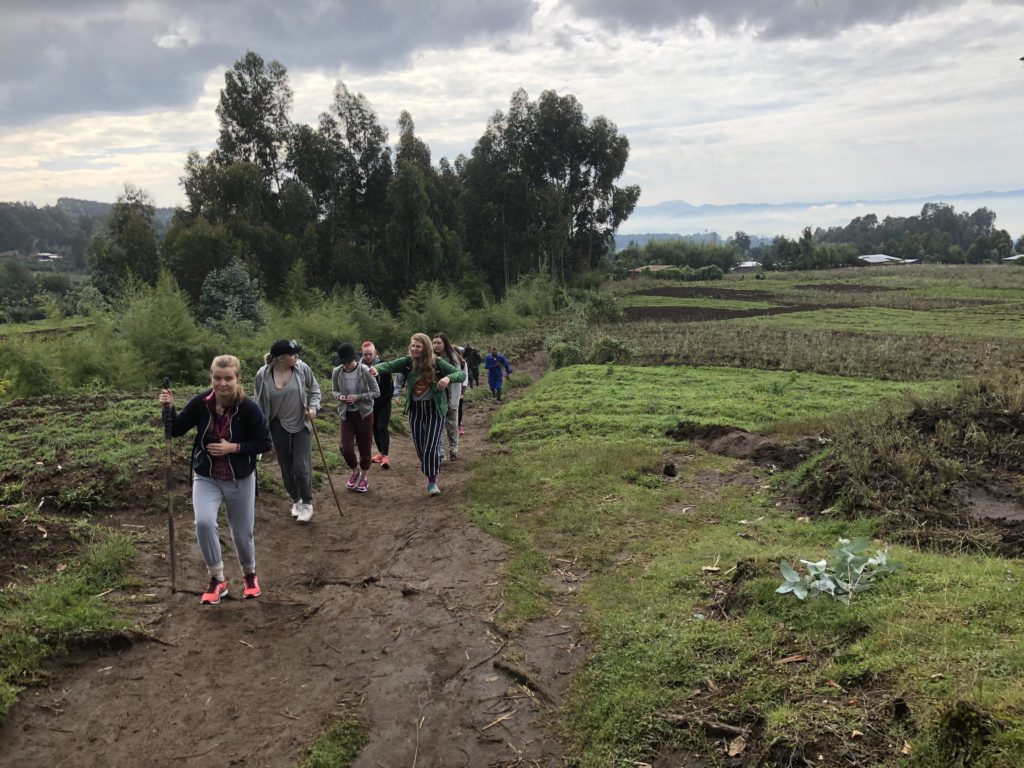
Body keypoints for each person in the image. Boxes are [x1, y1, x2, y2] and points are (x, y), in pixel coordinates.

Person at [159, 355, 273, 605]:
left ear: (237, 379)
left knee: (242, 534)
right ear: (211, 377)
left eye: (228, 378)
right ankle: (217, 578)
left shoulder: (248, 408)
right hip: (206, 476)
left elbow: (265, 443)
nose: (222, 384)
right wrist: (168, 408)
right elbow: (175, 429)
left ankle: (249, 575)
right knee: (203, 522)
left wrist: (233, 448)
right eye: (217, 378)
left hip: (240, 478)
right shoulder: (201, 403)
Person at [369, 332, 466, 496]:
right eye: (413, 346)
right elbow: (390, 366)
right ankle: (430, 466)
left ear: (425, 348)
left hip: (435, 409)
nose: (414, 349)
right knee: (421, 449)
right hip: (415, 410)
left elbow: (460, 374)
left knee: (430, 447)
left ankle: (432, 482)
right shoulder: (408, 362)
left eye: (418, 346)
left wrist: (448, 378)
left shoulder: (437, 362)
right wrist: (375, 369)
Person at [254, 339, 321, 523]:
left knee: (301, 466)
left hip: (301, 423)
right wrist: (258, 428)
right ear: (281, 358)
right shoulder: (263, 374)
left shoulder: (302, 368)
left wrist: (314, 408)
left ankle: (307, 503)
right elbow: (258, 402)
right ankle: (296, 500)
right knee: (286, 467)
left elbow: (314, 389)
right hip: (277, 426)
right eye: (293, 354)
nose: (296, 356)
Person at [331, 342, 380, 493]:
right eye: (343, 362)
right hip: (346, 414)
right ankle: (355, 470)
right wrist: (341, 396)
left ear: (353, 359)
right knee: (344, 447)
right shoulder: (337, 372)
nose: (345, 365)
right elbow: (334, 391)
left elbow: (376, 392)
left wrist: (358, 397)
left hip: (364, 414)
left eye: (348, 361)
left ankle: (364, 477)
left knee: (365, 449)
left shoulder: (364, 370)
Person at [432, 332, 467, 461]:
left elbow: (459, 375)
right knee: (438, 425)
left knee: (452, 423)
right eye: (434, 343)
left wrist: (448, 379)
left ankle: (453, 449)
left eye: (439, 343)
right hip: (436, 396)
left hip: (452, 395)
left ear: (444, 343)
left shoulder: (454, 358)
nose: (436, 345)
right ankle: (440, 452)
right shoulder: (431, 358)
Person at [362, 341, 394, 469]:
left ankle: (386, 456)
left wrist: (382, 400)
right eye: (366, 354)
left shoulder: (383, 366)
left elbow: (390, 388)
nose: (368, 357)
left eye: (370, 354)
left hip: (384, 401)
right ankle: (380, 453)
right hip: (369, 402)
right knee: (374, 427)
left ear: (375, 353)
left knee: (382, 426)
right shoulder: (359, 367)